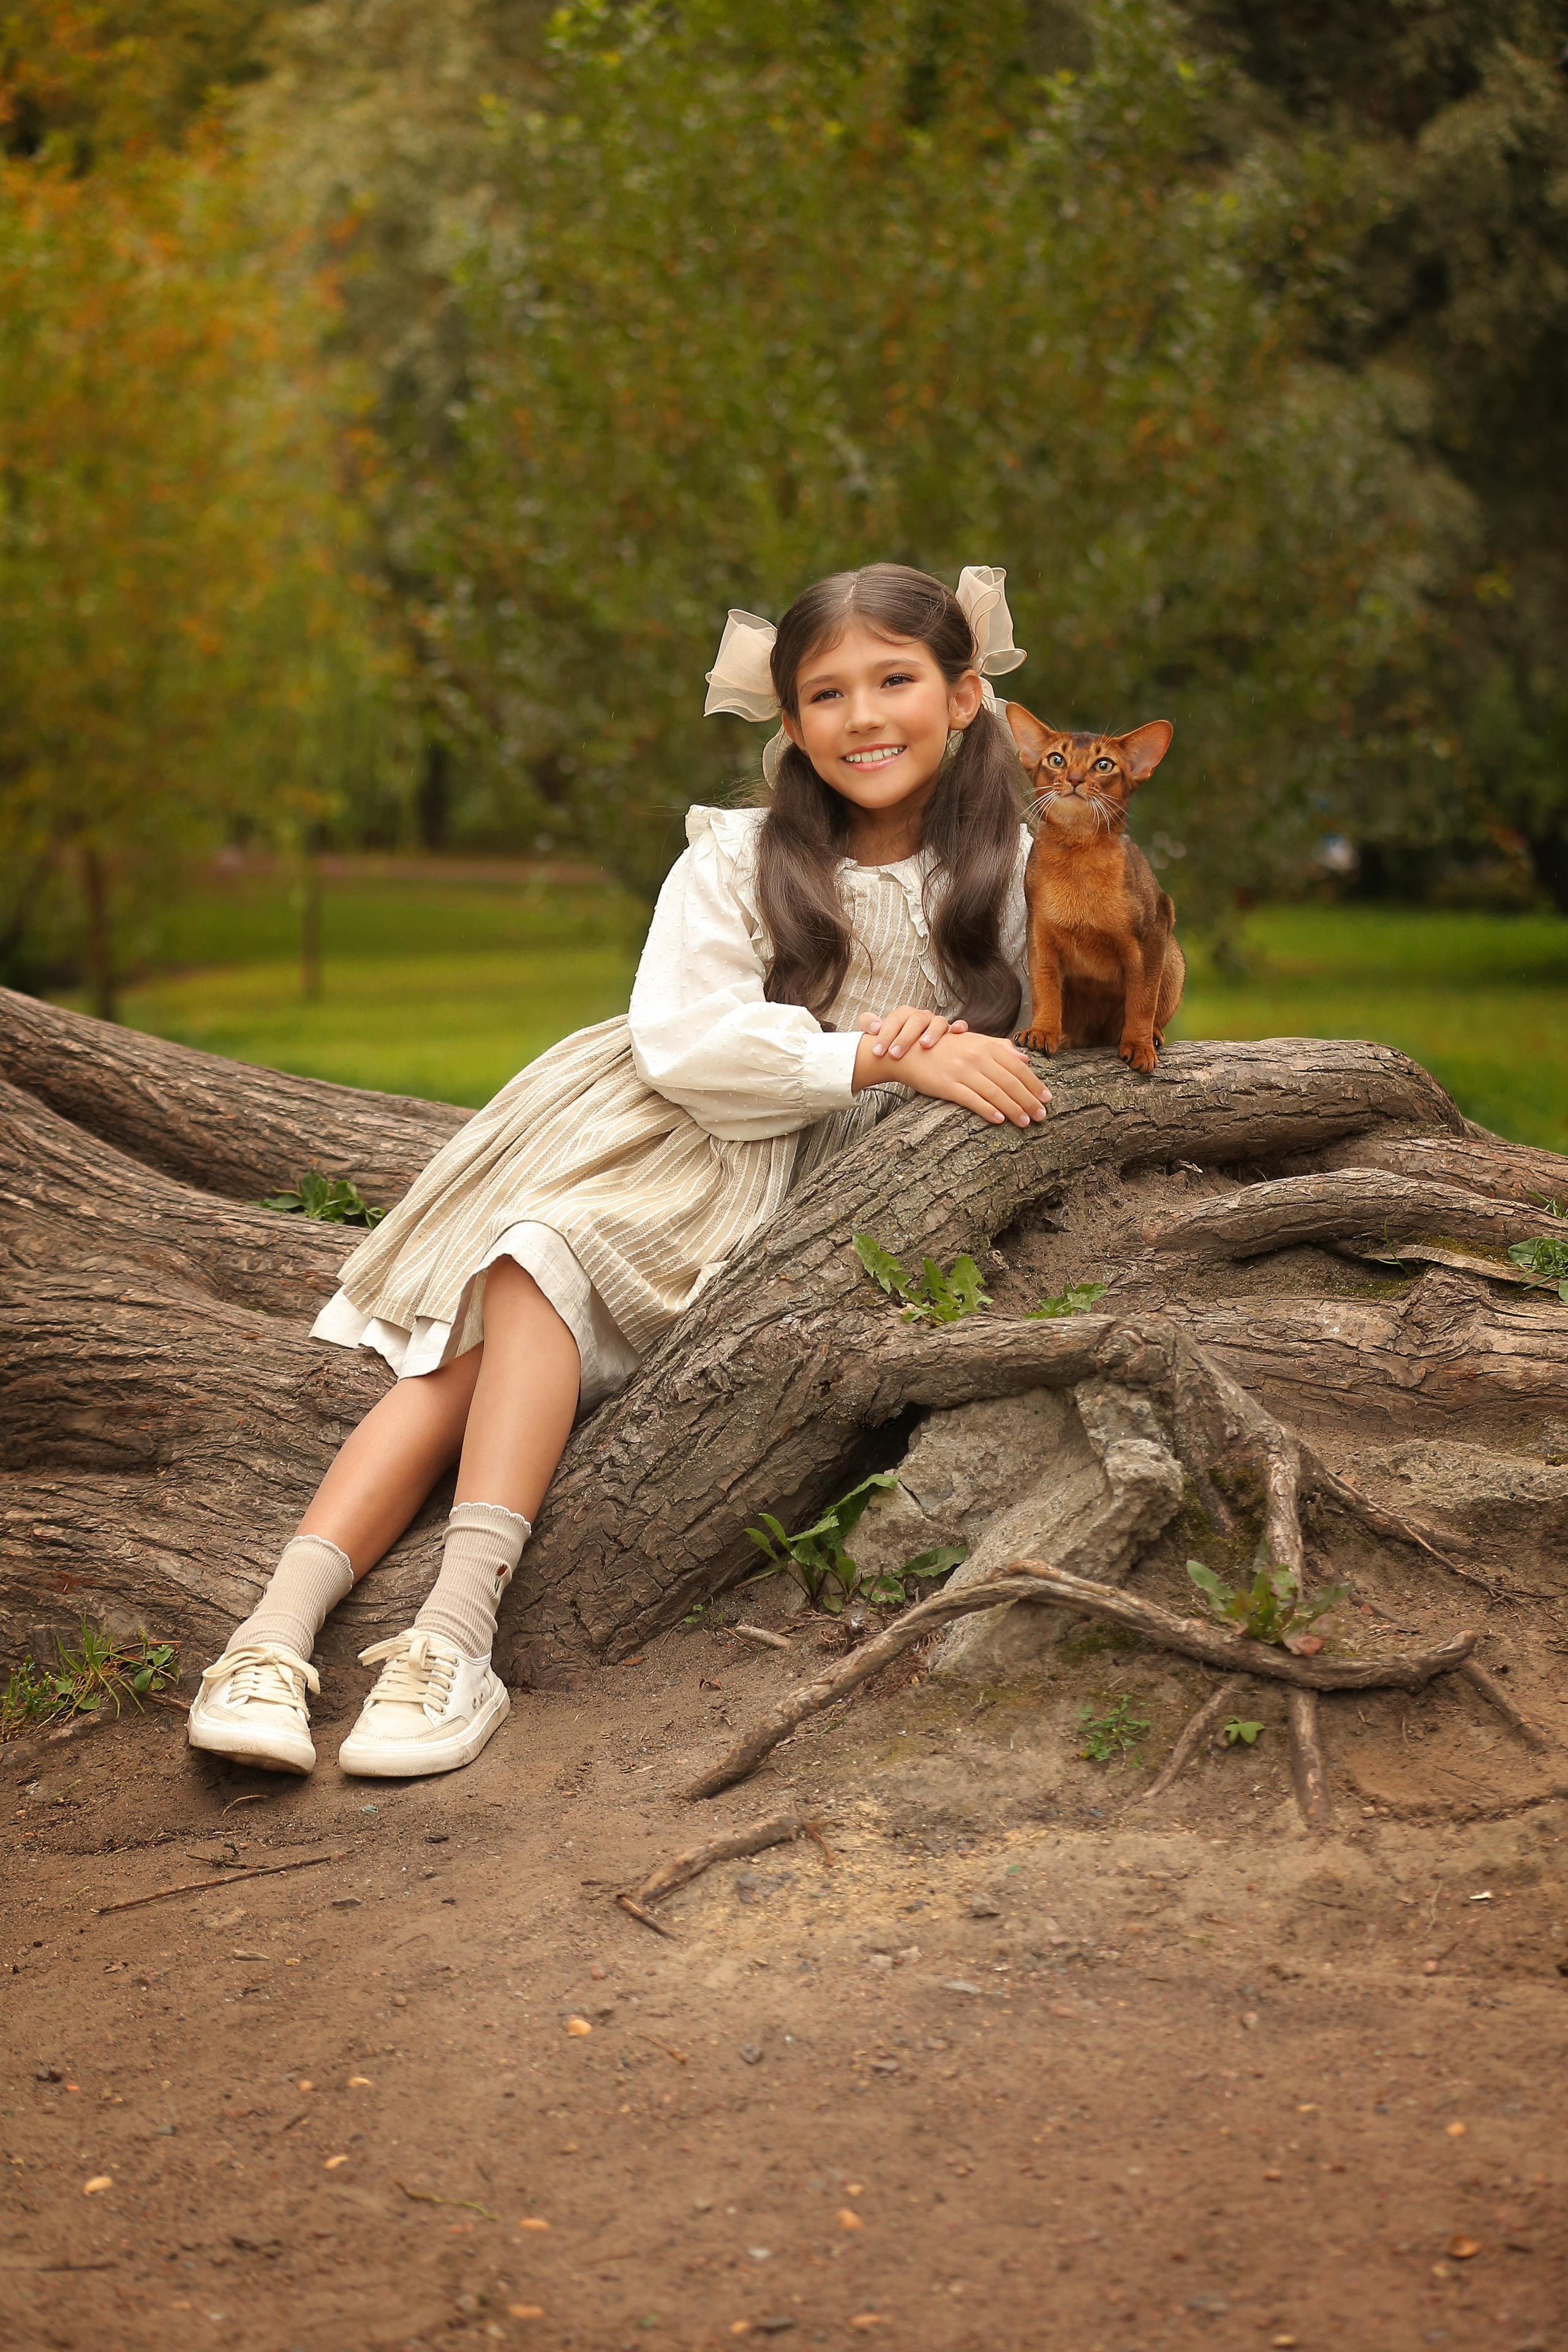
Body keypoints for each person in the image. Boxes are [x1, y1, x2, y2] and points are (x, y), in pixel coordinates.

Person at [186, 562, 1050, 1780]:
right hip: (687, 1142)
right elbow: (687, 1039)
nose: (863, 717)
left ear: (964, 698)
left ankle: (447, 1629)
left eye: (894, 681)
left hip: (851, 1193)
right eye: (826, 694)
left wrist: (943, 1048)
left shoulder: (1019, 866)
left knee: (501, 1335)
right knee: (517, 1283)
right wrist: (867, 1053)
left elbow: (1063, 1030)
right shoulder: (737, 856)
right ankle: (286, 1639)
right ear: (789, 723)